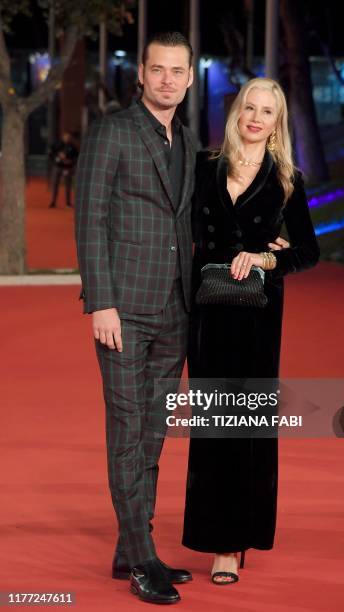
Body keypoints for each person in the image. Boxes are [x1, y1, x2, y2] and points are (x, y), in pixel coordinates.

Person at [74, 32, 198, 605]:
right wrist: (101, 301)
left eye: (178, 70)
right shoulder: (112, 132)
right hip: (123, 311)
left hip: (174, 310)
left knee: (152, 435)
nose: (168, 79)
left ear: (190, 78)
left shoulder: (188, 141)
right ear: (142, 75)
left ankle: (133, 547)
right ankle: (142, 559)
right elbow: (90, 220)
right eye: (159, 70)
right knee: (127, 435)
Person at [182, 77, 320, 584]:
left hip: (258, 317)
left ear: (278, 122)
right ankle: (214, 536)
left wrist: (264, 255)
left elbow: (307, 252)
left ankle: (233, 543)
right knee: (212, 429)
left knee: (247, 431)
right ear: (237, 111)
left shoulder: (287, 180)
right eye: (250, 107)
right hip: (208, 315)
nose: (257, 117)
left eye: (268, 111)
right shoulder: (203, 167)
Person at [48, 132, 79, 208]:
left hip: (67, 168)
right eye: (65, 136)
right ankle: (53, 202)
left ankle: (68, 203)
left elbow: (76, 157)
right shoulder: (57, 145)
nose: (66, 138)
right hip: (58, 166)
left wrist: (69, 161)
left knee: (68, 185)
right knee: (55, 184)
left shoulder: (72, 146)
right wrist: (57, 158)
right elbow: (51, 154)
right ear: (62, 137)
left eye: (68, 136)